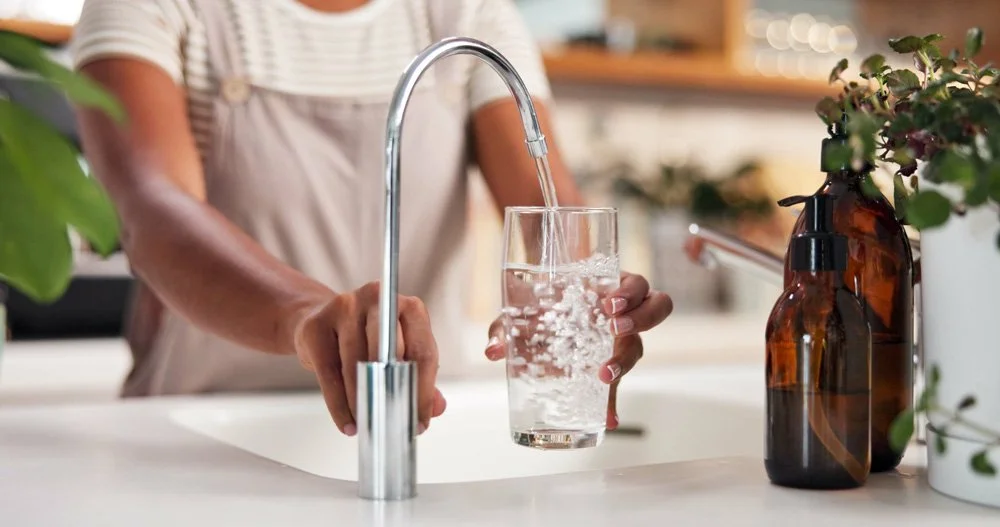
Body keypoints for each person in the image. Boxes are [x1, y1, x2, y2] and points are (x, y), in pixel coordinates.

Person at [71, 0, 673, 436]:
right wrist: (310, 316)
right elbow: (153, 211)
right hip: (203, 424)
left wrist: (590, 312)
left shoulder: (468, 15)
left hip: (425, 423)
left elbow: (554, 227)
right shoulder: (154, 7)